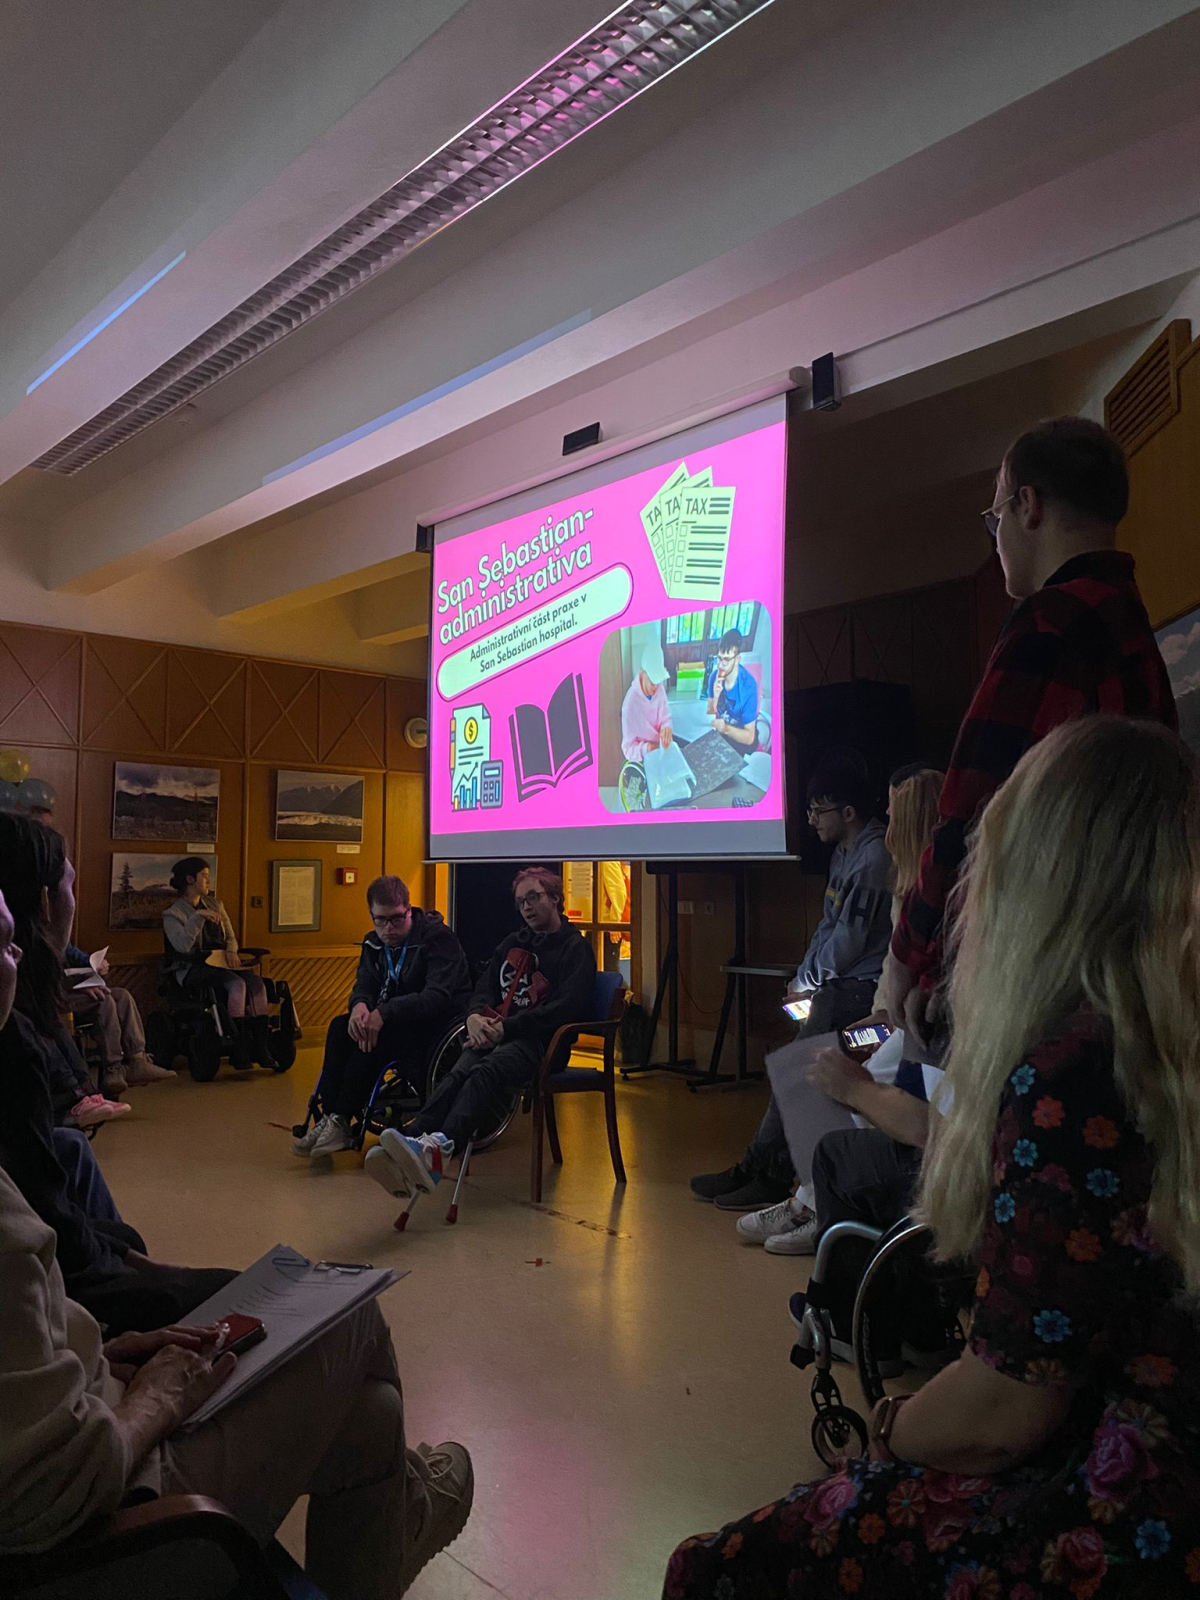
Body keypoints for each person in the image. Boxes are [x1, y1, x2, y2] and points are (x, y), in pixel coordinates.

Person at [664, 716, 1200, 1598]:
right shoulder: (1145, 1039)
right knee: (830, 1065)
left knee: (710, 1568)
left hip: (1118, 1500)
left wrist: (890, 1429)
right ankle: (798, 1187)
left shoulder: (1070, 1070)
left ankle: (812, 1208)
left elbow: (1004, 1408)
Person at [0, 885, 473, 1596]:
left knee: (372, 1416)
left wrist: (96, 1349)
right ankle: (406, 1508)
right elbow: (53, 1490)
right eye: (4, 942)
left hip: (88, 1415)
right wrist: (150, 1402)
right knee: (350, 1312)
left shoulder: (438, 945)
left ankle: (401, 1509)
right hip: (109, 1536)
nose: (22, 952)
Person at [884, 416, 1176, 1047]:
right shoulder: (1129, 622)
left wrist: (909, 957)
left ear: (1028, 505)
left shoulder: (1049, 623)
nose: (997, 540)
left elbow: (971, 810)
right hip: (1129, 967)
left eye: (996, 518)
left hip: (1046, 974)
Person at [0, 816, 237, 1335]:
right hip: (51, 1299)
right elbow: (44, 1220)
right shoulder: (14, 1043)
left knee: (74, 1152)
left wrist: (126, 1256)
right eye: (70, 886)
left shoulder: (21, 1025)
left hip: (55, 1256)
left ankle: (126, 1063)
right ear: (43, 904)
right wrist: (124, 1268)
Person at [737, 764, 944, 1253]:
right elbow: (853, 940)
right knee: (806, 1070)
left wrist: (817, 985)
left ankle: (807, 1199)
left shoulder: (900, 874)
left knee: (827, 1073)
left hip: (909, 1026)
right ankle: (808, 1198)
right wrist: (810, 981)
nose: (885, 820)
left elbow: (862, 948)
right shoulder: (903, 877)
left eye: (894, 813)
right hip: (885, 1016)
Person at [691, 759, 893, 1211]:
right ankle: (761, 1170)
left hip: (860, 991)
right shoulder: (844, 854)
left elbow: (850, 939)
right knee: (795, 1074)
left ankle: (763, 1171)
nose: (812, 820)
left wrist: (808, 981)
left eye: (819, 811)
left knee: (795, 1074)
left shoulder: (874, 857)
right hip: (834, 985)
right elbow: (828, 924)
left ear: (848, 813)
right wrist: (802, 977)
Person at [365, 866, 596, 1201]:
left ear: (556, 898)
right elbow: (484, 987)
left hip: (541, 1043)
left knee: (485, 1071)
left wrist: (507, 1028)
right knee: (459, 1070)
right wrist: (474, 1016)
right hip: (499, 1033)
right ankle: (413, 1139)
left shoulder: (576, 949)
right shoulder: (513, 942)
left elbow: (565, 1009)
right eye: (521, 901)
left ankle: (441, 1148)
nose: (526, 907)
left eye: (534, 897)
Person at [293, 875, 471, 1157]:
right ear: (371, 915)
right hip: (395, 1017)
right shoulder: (373, 943)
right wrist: (360, 1006)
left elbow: (436, 996)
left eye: (397, 919)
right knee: (341, 1027)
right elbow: (364, 984)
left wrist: (384, 1013)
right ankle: (331, 1116)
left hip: (435, 1021)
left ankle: (342, 1118)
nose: (389, 928)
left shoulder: (438, 939)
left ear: (409, 910)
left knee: (374, 1040)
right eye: (381, 920)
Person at [164, 857, 275, 1068]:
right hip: (192, 967)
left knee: (257, 984)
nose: (208, 881)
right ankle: (237, 1045)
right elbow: (182, 946)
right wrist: (198, 917)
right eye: (204, 876)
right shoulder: (172, 914)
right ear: (190, 879)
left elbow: (230, 937)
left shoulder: (216, 905)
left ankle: (261, 1045)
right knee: (237, 984)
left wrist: (232, 950)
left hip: (221, 962)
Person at [64, 942, 175, 1092]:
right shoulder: (39, 938)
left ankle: (138, 1060)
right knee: (105, 1000)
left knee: (123, 996)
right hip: (57, 996)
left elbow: (73, 954)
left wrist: (94, 964)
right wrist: (78, 982)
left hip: (75, 989)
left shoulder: (57, 937)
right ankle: (113, 1067)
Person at [621, 637, 675, 761]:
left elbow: (666, 718)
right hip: (644, 758)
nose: (656, 687)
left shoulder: (659, 688)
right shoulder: (629, 705)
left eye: (658, 682)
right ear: (642, 673)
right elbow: (628, 749)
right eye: (652, 682)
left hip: (661, 749)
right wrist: (647, 749)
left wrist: (666, 729)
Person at [705, 627, 758, 750]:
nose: (721, 664)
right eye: (719, 658)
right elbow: (710, 713)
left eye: (726, 659)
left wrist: (726, 729)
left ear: (737, 659)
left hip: (740, 737)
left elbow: (749, 737)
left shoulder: (749, 687)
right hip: (721, 732)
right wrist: (716, 695)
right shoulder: (714, 677)